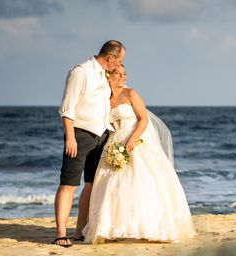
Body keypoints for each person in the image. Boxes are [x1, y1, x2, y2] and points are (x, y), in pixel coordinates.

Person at [82, 65, 195, 243]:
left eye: (124, 74)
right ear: (108, 75)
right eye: (118, 74)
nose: (122, 77)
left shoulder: (131, 94)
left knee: (143, 182)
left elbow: (144, 119)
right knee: (113, 184)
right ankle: (113, 228)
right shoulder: (104, 99)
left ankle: (148, 227)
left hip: (137, 140)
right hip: (114, 142)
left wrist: (132, 140)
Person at [53, 40, 126, 247]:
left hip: (102, 137)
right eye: (119, 61)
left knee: (92, 186)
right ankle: (60, 234)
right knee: (68, 184)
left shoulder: (106, 75)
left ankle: (79, 231)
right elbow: (67, 108)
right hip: (80, 135)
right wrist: (70, 137)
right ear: (110, 58)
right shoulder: (81, 72)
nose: (120, 65)